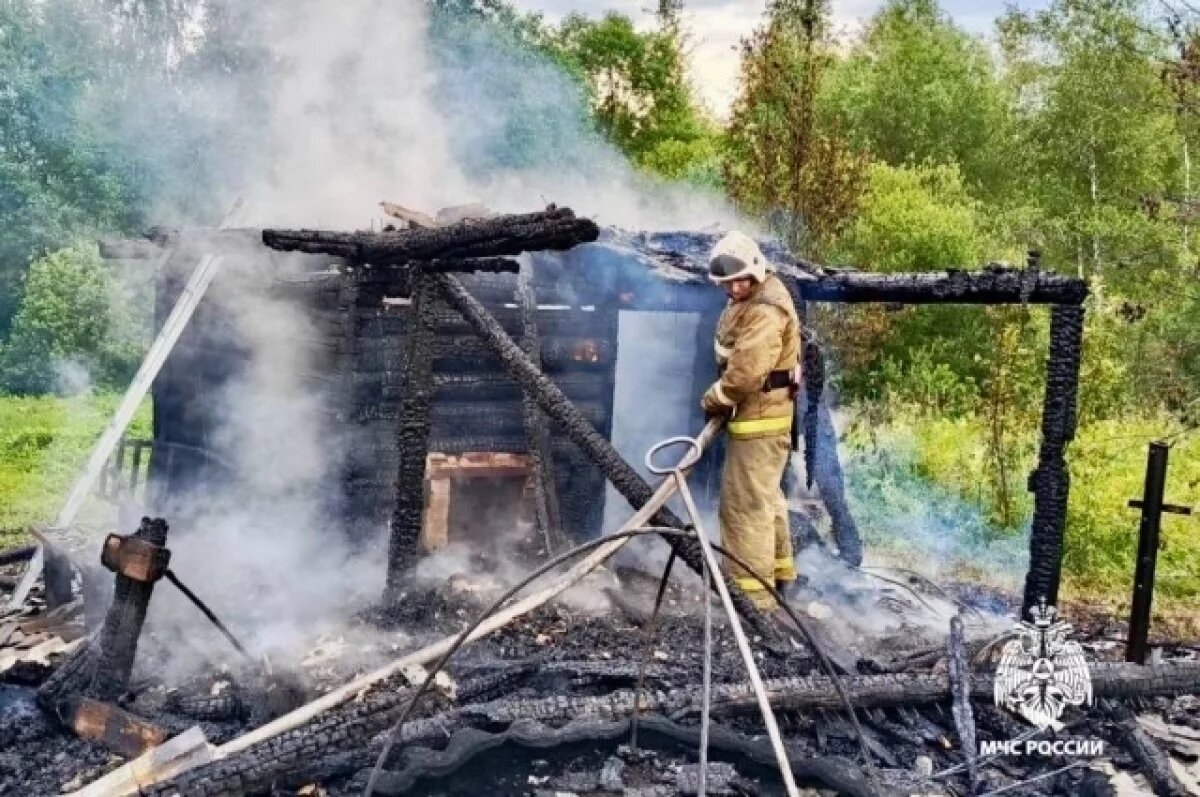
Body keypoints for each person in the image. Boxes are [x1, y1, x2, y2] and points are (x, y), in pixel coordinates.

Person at [700, 231, 801, 611]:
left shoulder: (764, 309)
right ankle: (780, 579)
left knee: (744, 507)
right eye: (727, 283)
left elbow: (744, 374)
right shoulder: (756, 297)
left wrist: (715, 398)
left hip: (759, 423)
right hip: (763, 420)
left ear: (756, 270)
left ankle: (752, 603)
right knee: (766, 500)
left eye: (738, 281)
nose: (733, 288)